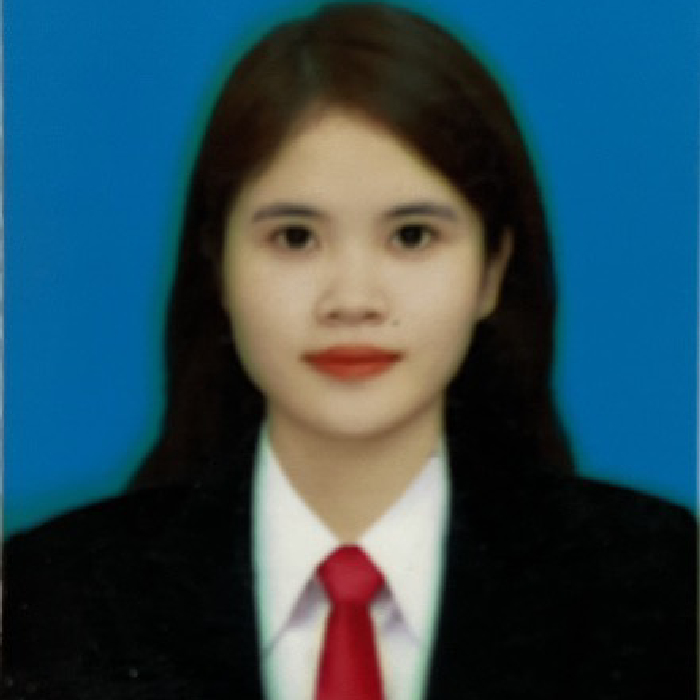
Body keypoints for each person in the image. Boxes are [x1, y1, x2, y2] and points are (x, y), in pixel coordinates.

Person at [2, 3, 696, 699]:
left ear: (492, 271)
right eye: (295, 238)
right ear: (218, 268)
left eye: (413, 236)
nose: (353, 300)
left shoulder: (657, 582)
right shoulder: (57, 594)